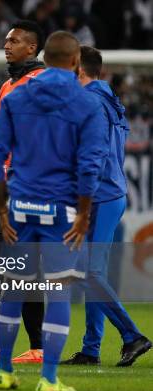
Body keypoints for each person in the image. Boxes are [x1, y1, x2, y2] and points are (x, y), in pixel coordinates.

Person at [0, 31, 107, 391]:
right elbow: (89, 166)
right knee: (58, 290)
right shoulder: (86, 104)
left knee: (13, 289)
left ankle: (4, 372)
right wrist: (84, 214)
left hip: (21, 208)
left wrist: (3, 210)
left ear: (44, 56)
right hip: (62, 211)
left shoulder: (16, 95)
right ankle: (49, 378)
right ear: (74, 62)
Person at [61, 46, 151, 367]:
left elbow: (95, 155)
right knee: (91, 273)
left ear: (79, 71)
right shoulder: (110, 100)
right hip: (110, 194)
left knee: (90, 272)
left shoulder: (90, 103)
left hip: (99, 196)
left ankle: (133, 336)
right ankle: (91, 348)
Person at [0, 20, 47, 365]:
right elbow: (2, 138)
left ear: (32, 48)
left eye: (14, 41)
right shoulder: (7, 86)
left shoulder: (40, 84)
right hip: (16, 183)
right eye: (6, 40)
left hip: (35, 186)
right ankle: (38, 346)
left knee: (7, 262)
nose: (6, 45)